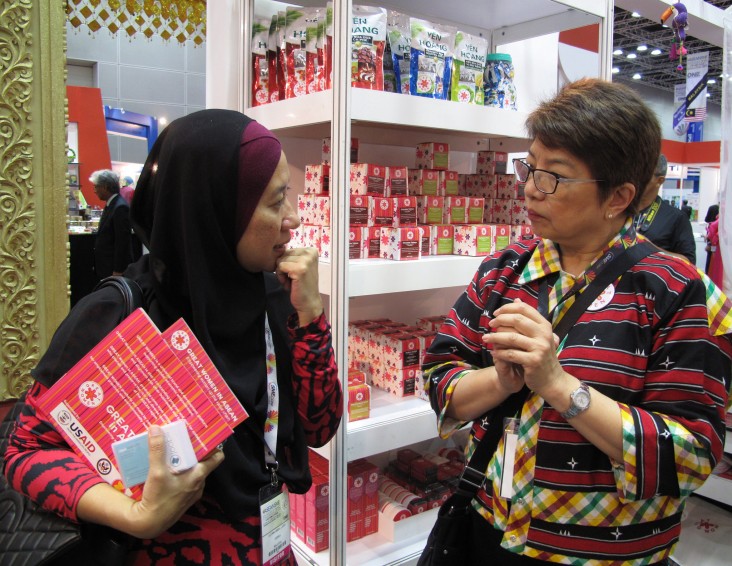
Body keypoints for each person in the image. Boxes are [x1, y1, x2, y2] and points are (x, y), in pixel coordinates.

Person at [4, 110, 343, 565]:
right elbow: (27, 451)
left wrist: (313, 318)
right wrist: (137, 515)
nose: (294, 219)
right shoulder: (123, 312)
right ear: (216, 208)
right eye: (276, 201)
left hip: (270, 546)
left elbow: (319, 427)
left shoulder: (275, 296)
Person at [422, 79, 732, 565]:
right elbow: (440, 375)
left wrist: (560, 386)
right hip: (489, 534)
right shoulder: (506, 270)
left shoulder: (677, 291)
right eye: (531, 167)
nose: (530, 188)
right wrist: (500, 380)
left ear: (618, 196)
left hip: (606, 555)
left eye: (555, 177)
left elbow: (691, 455)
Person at [634, 154, 696, 264]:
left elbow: (689, 261)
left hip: (652, 279)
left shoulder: (676, 217)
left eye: (643, 175)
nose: (635, 179)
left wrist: (649, 248)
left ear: (660, 180)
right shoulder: (619, 210)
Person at [90, 169, 133, 279]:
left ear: (105, 187)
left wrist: (118, 269)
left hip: (113, 270)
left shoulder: (120, 208)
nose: (94, 191)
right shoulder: (112, 205)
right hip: (106, 267)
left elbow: (122, 242)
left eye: (96, 187)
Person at [706, 213, 724, 287]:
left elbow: (713, 228)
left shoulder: (723, 218)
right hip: (720, 247)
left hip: (719, 248)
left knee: (717, 270)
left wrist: (712, 241)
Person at [704, 204, 720, 272]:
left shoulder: (715, 223)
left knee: (710, 263)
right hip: (715, 245)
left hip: (713, 245)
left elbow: (714, 236)